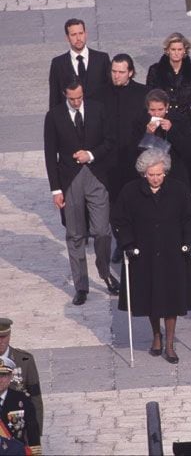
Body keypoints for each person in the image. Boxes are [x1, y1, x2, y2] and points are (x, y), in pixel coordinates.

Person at [111, 148, 191, 365]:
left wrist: (189, 242)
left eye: (160, 174)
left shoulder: (178, 190)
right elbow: (120, 219)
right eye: (152, 174)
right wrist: (128, 244)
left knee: (171, 299)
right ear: (144, 173)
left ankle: (169, 343)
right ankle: (156, 336)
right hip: (145, 254)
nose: (156, 178)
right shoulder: (130, 192)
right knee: (152, 298)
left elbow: (190, 216)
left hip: (172, 253)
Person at [43, 79, 118, 305]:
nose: (76, 102)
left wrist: (91, 154)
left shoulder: (98, 109)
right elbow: (50, 154)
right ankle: (81, 286)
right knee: (75, 235)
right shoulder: (54, 116)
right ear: (65, 95)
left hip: (97, 177)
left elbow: (110, 141)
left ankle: (105, 272)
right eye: (71, 98)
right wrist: (56, 189)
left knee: (102, 231)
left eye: (79, 97)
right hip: (70, 180)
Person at [92, 56, 148, 262]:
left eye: (121, 72)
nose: (116, 76)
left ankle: (138, 240)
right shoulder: (99, 95)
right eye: (114, 71)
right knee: (114, 206)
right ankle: (122, 242)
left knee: (137, 202)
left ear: (131, 72)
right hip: (109, 162)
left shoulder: (143, 93)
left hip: (136, 159)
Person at [146, 32, 191, 192]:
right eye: (172, 49)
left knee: (185, 169)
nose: (176, 52)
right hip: (161, 124)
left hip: (184, 125)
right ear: (167, 50)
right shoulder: (156, 70)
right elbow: (149, 98)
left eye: (179, 49)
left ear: (185, 51)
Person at [133, 89, 191, 193]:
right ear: (147, 108)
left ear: (167, 107)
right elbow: (137, 152)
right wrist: (148, 134)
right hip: (152, 175)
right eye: (152, 110)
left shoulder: (180, 120)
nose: (156, 114)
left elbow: (187, 150)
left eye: (160, 109)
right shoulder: (140, 121)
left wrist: (172, 130)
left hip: (176, 173)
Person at [49, 18, 110, 108]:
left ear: (86, 34)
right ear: (67, 38)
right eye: (73, 35)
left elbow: (110, 91)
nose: (78, 38)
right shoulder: (58, 63)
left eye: (81, 33)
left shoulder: (102, 59)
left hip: (99, 117)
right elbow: (54, 96)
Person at [0, 319, 43, 437]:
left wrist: (35, 434)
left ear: (9, 335)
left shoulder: (25, 360)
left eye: (3, 336)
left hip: (16, 429)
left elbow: (35, 398)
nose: (0, 341)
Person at [0, 358, 41, 455]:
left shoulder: (23, 399)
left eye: (3, 375)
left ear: (10, 377)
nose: (0, 380)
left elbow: (33, 430)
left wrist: (35, 453)